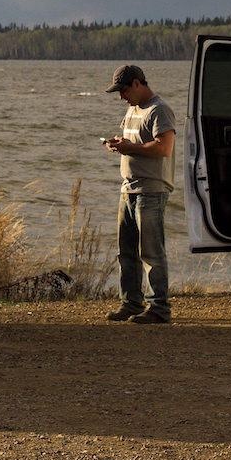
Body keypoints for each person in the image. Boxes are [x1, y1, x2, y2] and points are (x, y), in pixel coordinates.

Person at [102, 63, 175, 324]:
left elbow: (164, 148)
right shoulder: (132, 109)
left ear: (137, 83)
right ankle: (131, 302)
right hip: (128, 188)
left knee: (151, 252)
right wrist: (118, 144)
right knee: (127, 252)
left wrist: (130, 148)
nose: (121, 96)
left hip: (151, 189)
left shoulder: (159, 110)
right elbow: (134, 142)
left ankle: (159, 308)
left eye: (123, 90)